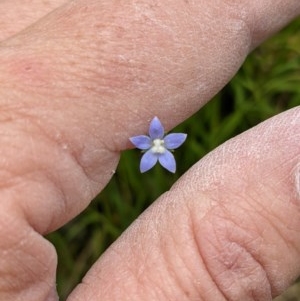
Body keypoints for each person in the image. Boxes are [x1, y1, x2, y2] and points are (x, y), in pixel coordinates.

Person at [0, 1, 299, 300]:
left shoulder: (162, 143)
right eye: (156, 145)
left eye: (160, 143)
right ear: (154, 144)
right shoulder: (155, 146)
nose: (158, 144)